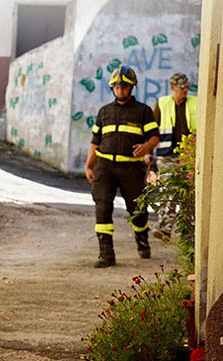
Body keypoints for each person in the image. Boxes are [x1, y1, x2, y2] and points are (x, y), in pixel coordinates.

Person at [84, 65, 160, 268]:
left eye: (124, 86)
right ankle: (106, 253)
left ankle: (142, 239)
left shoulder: (143, 111)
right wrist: (89, 166)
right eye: (116, 87)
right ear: (112, 88)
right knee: (102, 206)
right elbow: (95, 142)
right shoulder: (104, 112)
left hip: (131, 169)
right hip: (104, 167)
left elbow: (154, 137)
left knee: (137, 210)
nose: (120, 90)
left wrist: (146, 147)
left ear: (131, 87)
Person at [151, 72, 198, 243]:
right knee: (168, 190)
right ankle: (165, 229)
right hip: (166, 154)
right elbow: (152, 130)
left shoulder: (195, 103)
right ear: (172, 87)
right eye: (181, 87)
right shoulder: (162, 103)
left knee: (187, 193)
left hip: (188, 154)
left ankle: (187, 232)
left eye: (186, 87)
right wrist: (148, 152)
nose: (184, 90)